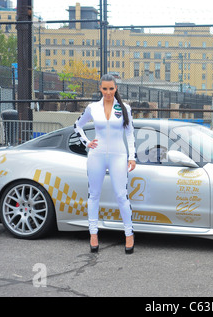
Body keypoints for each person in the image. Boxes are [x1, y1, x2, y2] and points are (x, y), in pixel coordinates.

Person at [73, 74, 136, 254]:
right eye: (105, 89)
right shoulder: (93, 108)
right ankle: (93, 233)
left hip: (118, 155)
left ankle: (129, 234)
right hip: (97, 155)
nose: (108, 92)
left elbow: (130, 134)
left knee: (121, 195)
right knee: (94, 195)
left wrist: (132, 157)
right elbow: (77, 125)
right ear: (100, 89)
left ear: (116, 88)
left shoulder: (125, 108)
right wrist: (86, 142)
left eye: (111, 88)